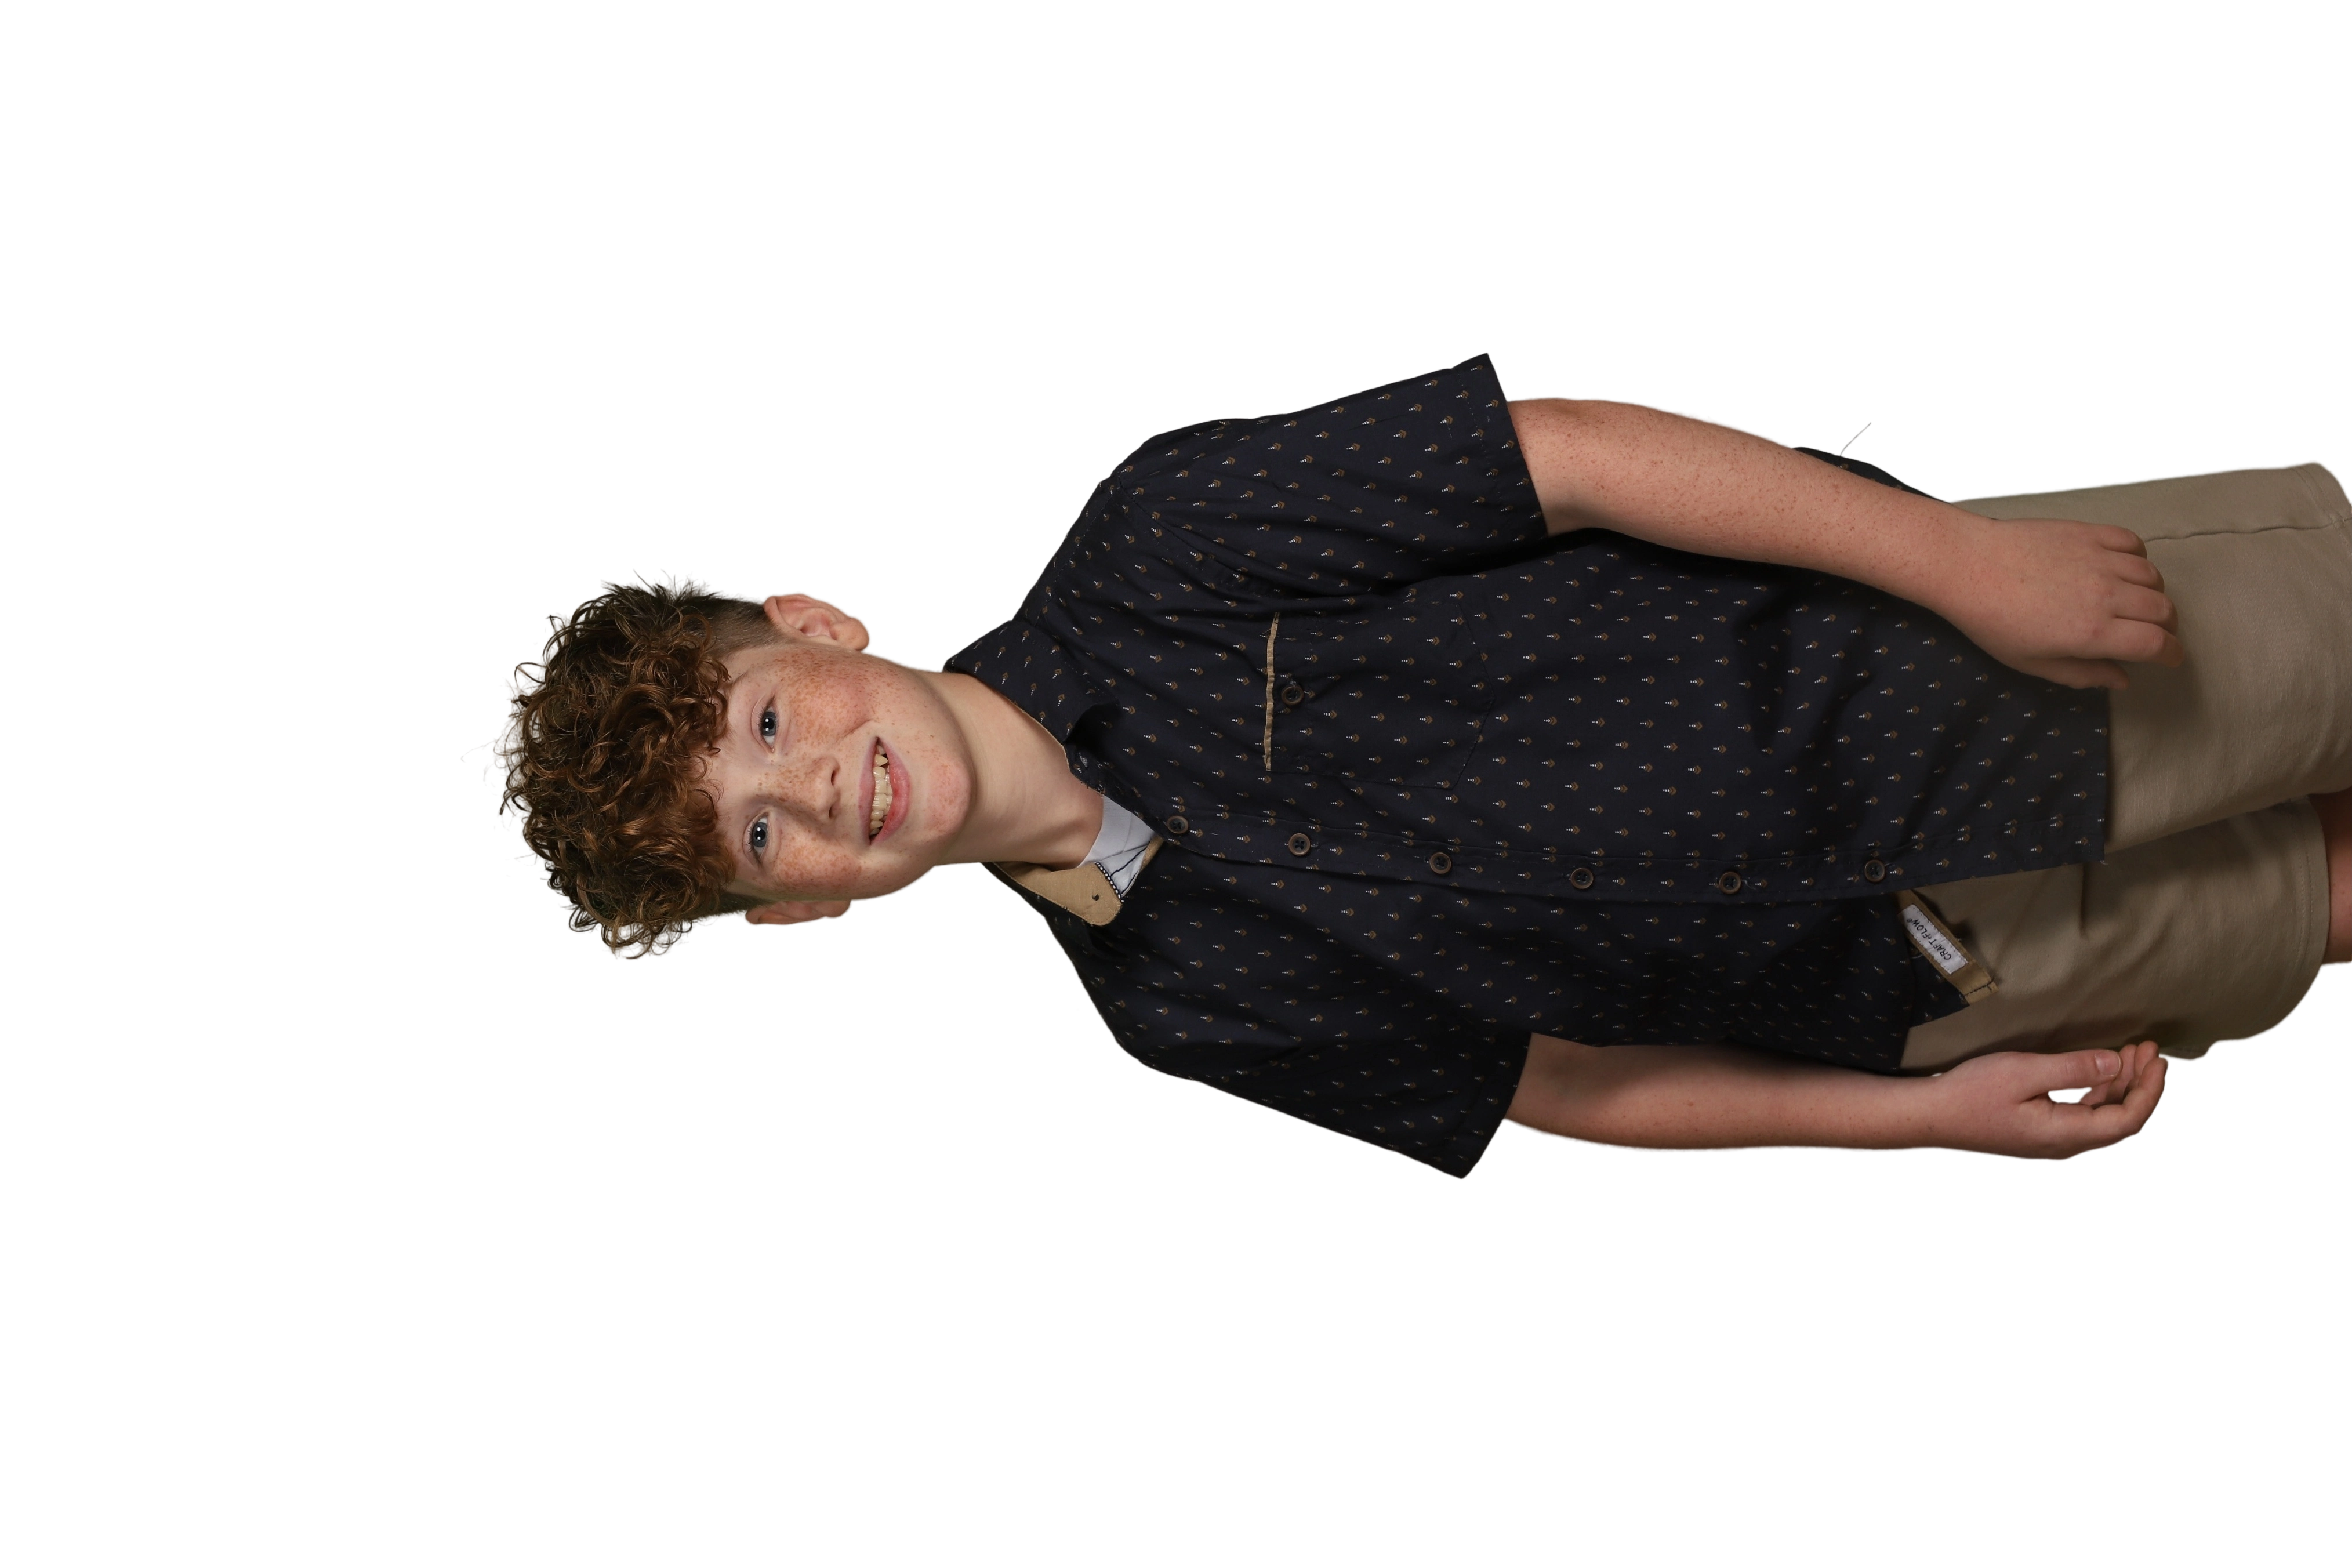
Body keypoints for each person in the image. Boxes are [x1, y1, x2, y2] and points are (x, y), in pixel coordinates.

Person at [470, 351, 2352, 1179]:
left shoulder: (1159, 538)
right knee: (2323, 901)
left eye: (769, 729)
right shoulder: (1174, 1013)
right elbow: (1571, 1090)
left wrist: (1960, 561)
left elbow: (1572, 454)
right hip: (1929, 972)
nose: (814, 793)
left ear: (812, 624)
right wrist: (1924, 1122)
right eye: (759, 839)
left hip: (1950, 668)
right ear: (794, 911)